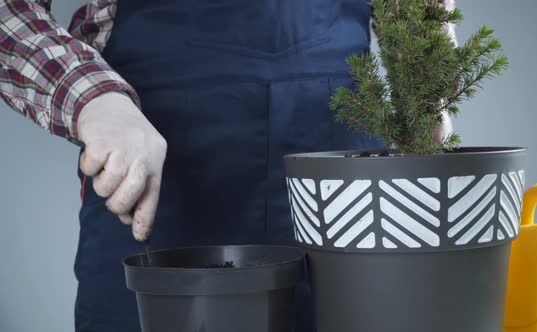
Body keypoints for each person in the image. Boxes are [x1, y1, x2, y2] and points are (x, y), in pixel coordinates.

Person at [0, 0, 455, 331]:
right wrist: (93, 99)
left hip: (339, 185)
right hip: (155, 171)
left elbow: (414, 23)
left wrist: (424, 80)